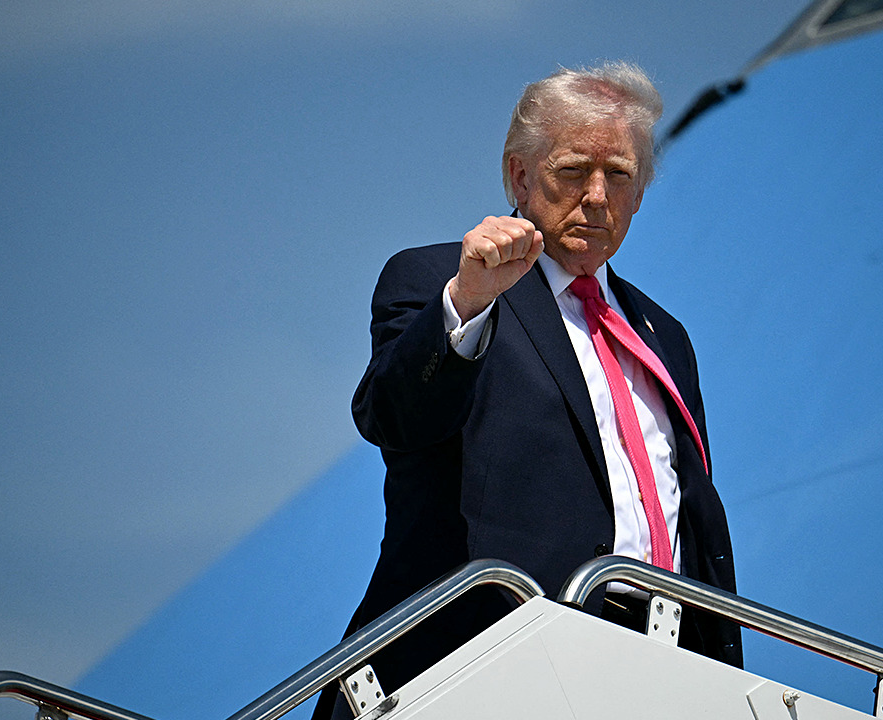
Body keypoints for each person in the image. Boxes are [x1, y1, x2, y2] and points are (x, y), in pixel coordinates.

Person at [314, 61, 739, 718]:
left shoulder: (663, 335)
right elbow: (395, 417)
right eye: (573, 171)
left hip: (662, 670)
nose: (597, 195)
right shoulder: (439, 280)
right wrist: (468, 301)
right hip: (487, 659)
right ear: (519, 175)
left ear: (640, 193)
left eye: (619, 176)